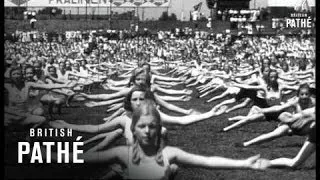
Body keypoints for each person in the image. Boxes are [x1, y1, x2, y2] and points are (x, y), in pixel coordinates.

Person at [45, 100, 267, 180]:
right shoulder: (123, 152)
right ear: (134, 128)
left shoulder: (170, 154)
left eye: (153, 126)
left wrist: (243, 163)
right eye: (142, 127)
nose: (148, 131)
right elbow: (83, 157)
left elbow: (208, 161)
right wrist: (46, 155)